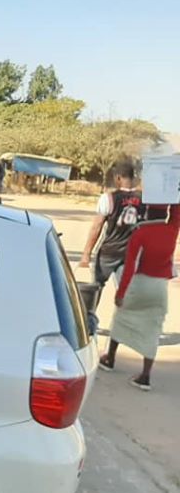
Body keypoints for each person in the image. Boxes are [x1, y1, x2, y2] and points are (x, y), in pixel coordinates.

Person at [99, 206, 180, 390]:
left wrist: (121, 293)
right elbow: (177, 214)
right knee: (153, 328)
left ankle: (110, 358)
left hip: (139, 283)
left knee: (121, 319)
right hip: (159, 286)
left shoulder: (140, 233)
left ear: (149, 212)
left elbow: (130, 268)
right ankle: (145, 375)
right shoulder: (172, 230)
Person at [78, 160, 145, 307]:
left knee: (95, 289)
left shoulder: (109, 198)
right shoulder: (143, 200)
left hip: (108, 252)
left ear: (118, 178)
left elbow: (97, 226)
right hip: (129, 254)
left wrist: (86, 253)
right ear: (133, 178)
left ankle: (89, 323)